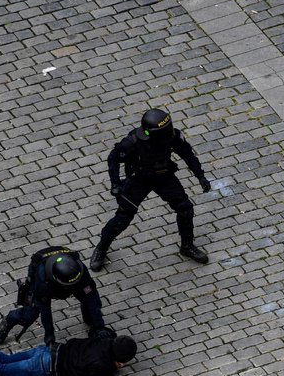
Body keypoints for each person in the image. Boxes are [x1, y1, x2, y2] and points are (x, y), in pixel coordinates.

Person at [90, 109, 212, 270]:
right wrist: (115, 184)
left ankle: (187, 246)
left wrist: (200, 175)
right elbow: (113, 158)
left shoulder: (172, 137)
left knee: (185, 209)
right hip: (138, 179)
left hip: (164, 176)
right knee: (123, 218)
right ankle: (102, 247)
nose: (168, 133)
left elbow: (187, 153)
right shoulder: (132, 143)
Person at [0, 246, 108, 347]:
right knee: (30, 314)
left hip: (68, 279)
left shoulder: (79, 270)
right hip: (42, 275)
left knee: (92, 302)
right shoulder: (42, 281)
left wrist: (100, 327)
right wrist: (50, 340)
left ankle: (91, 319)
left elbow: (91, 296)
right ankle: (9, 320)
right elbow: (45, 311)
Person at [0, 335, 136, 376]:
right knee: (2, 370)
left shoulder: (102, 340)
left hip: (47, 351)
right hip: (45, 366)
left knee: (5, 359)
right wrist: (112, 368)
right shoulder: (102, 365)